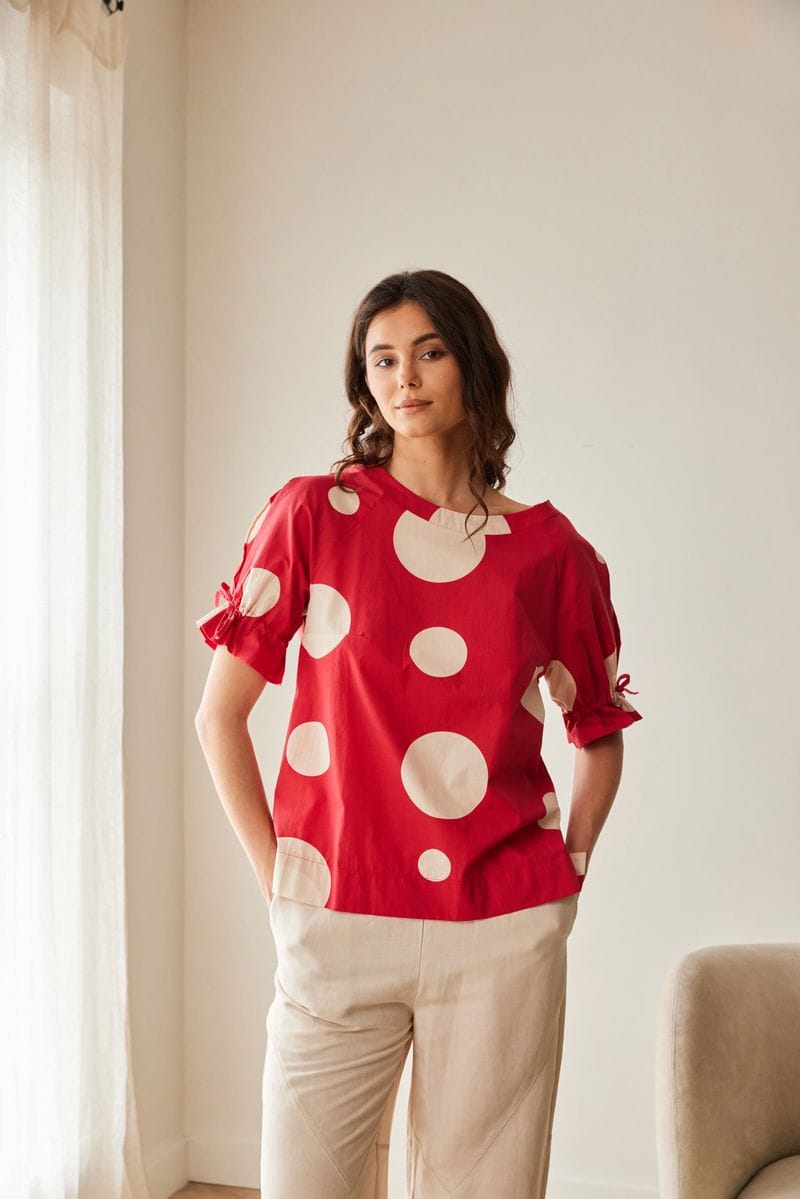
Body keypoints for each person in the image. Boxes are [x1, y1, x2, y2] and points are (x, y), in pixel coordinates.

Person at [193, 268, 642, 1198]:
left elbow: (596, 728)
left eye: (429, 352)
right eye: (383, 359)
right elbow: (218, 715)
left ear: (474, 365)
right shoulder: (312, 517)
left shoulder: (553, 553)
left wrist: (570, 870)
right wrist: (280, 880)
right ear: (365, 384)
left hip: (502, 927)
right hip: (337, 914)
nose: (405, 377)